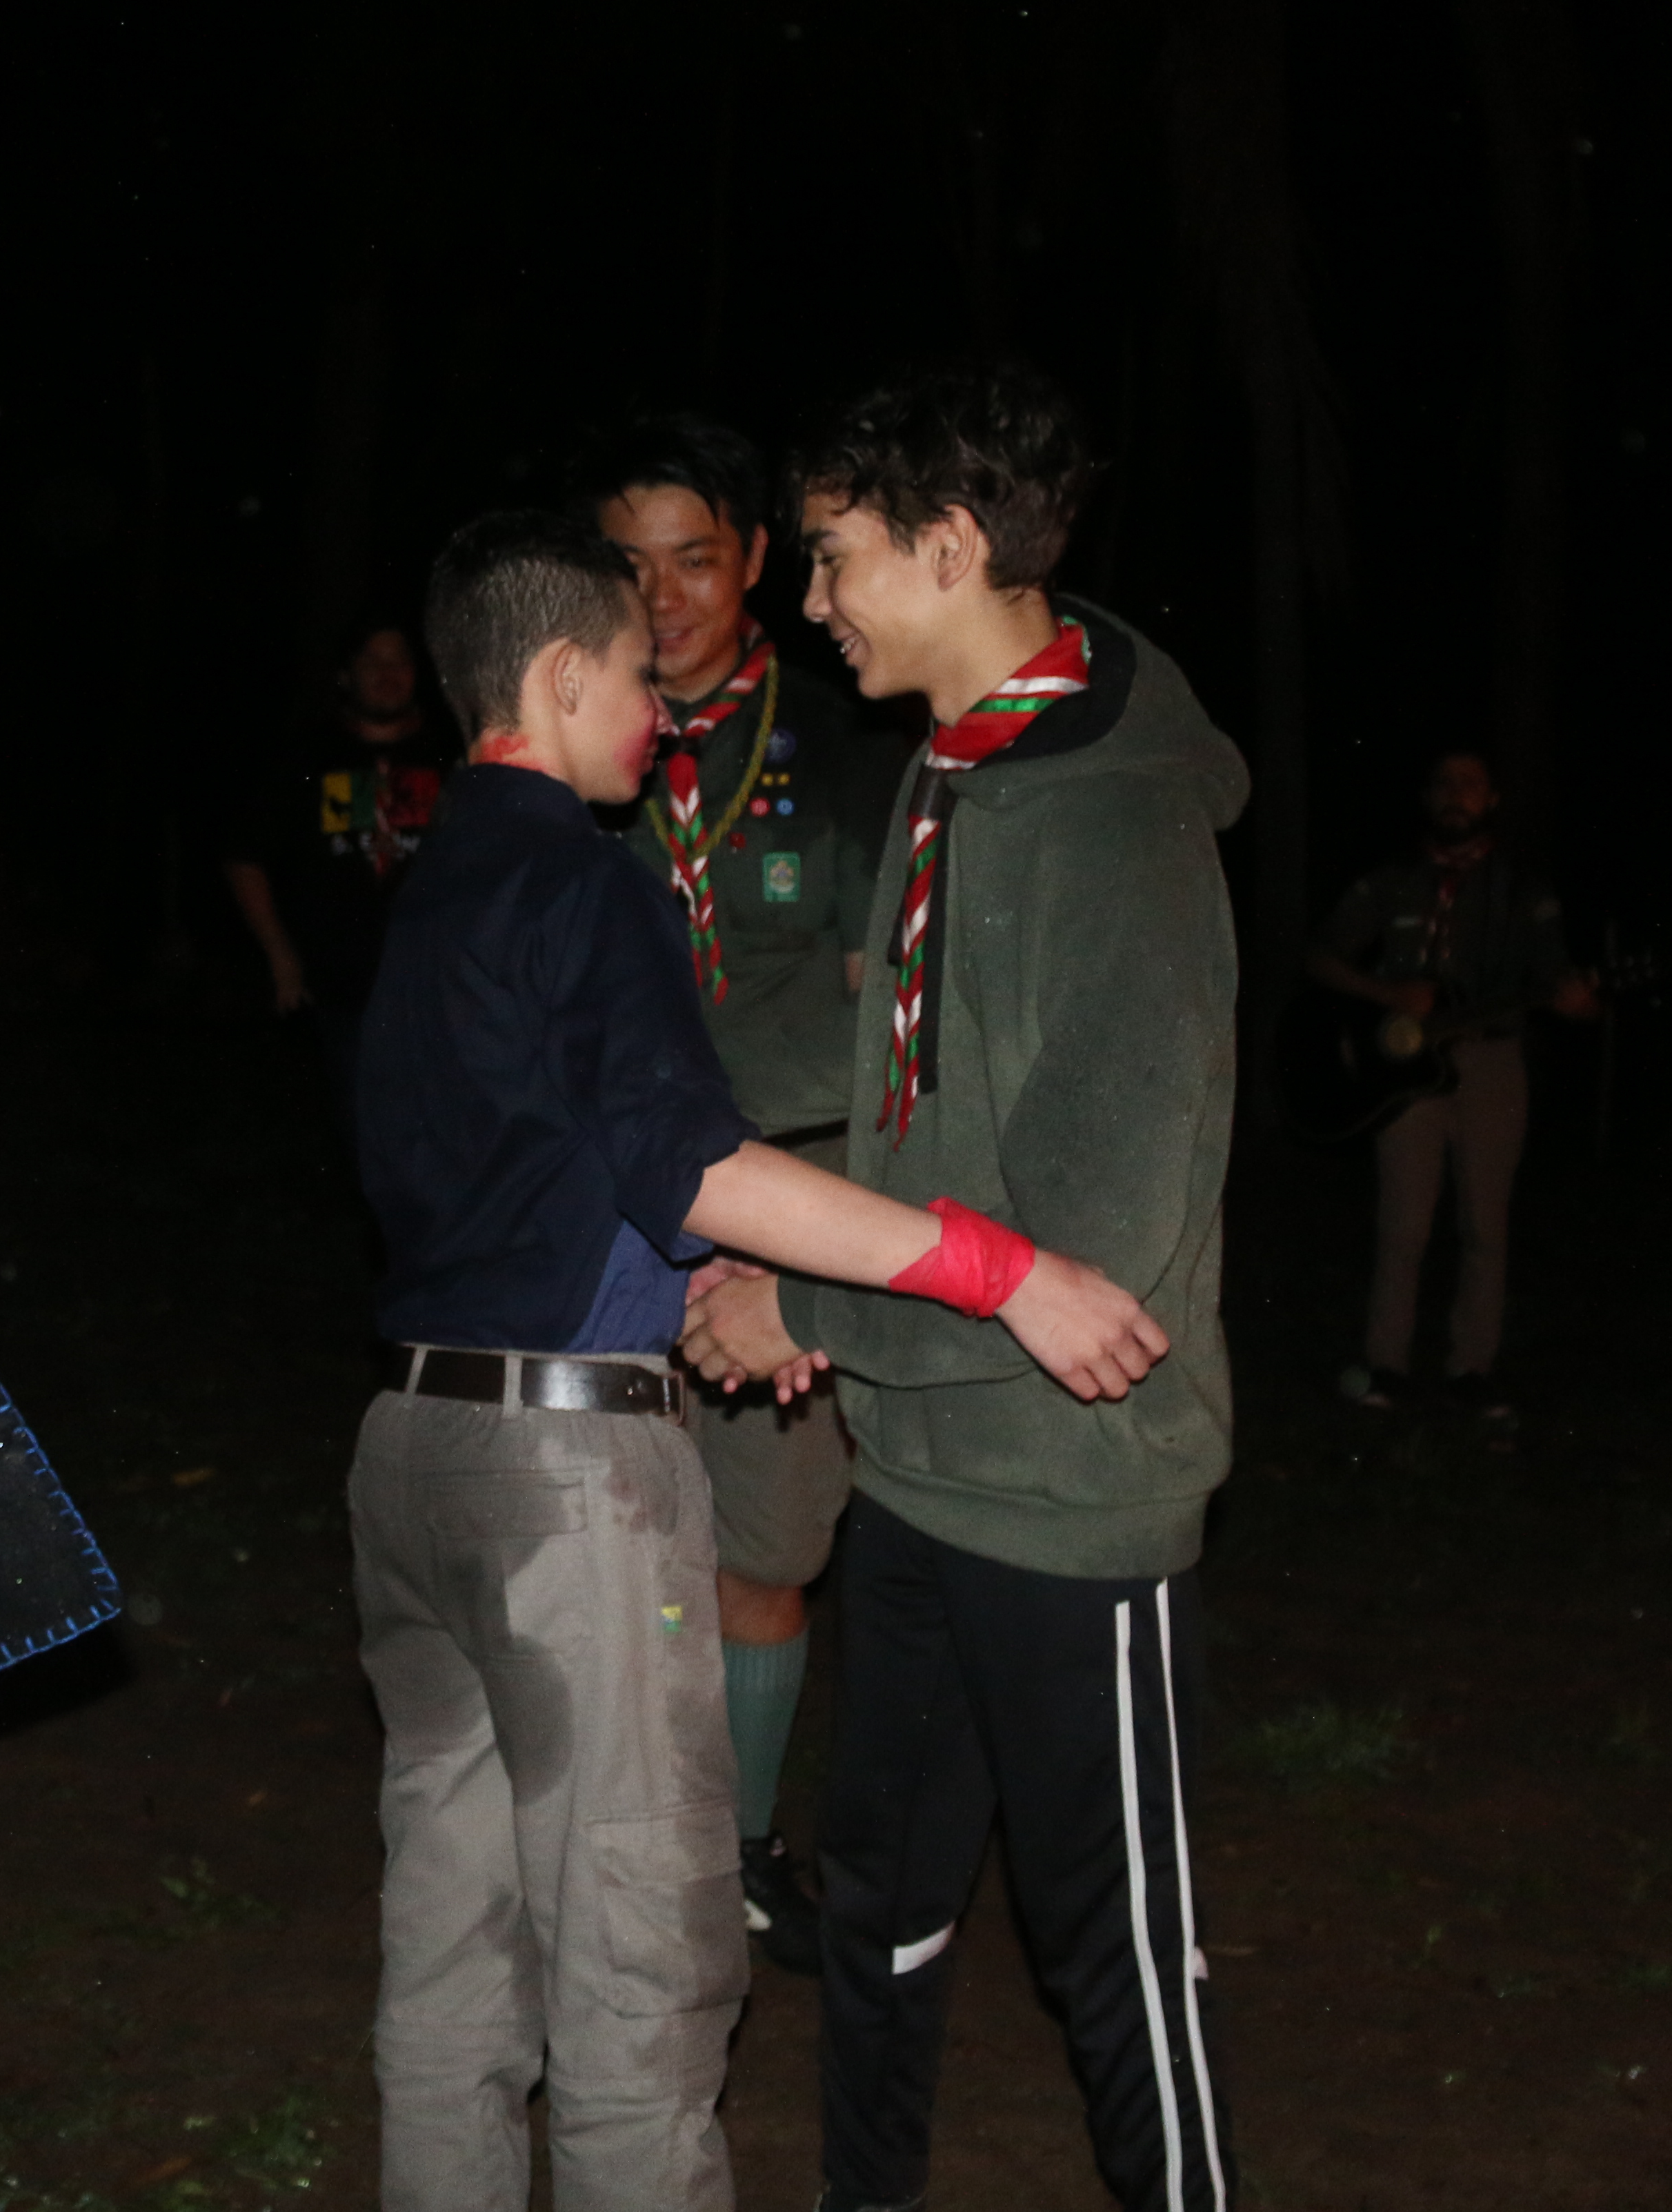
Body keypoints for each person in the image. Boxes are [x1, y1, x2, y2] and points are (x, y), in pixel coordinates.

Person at [346, 507, 1166, 2212]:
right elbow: (694, 1165)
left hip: (410, 1459)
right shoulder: (588, 881)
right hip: (564, 1496)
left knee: (451, 1969)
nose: (660, 718)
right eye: (636, 678)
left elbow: (534, 1173)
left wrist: (710, 1283)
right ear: (559, 680)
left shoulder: (432, 890)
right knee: (640, 1977)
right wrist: (1000, 1269)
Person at [681, 362, 1246, 2212]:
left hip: (1070, 1498)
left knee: (1114, 1958)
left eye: (833, 556)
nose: (809, 600)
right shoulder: (960, 762)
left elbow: (1101, 1240)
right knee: (881, 1911)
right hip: (919, 1467)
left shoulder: (1111, 829)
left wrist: (804, 1310)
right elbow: (901, 1086)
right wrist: (670, 1117)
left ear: (945, 548)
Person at [584, 411, 904, 1975]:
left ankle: (742, 1844)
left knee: (764, 1547)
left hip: (786, 1193)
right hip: (603, 1202)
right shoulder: (568, 751)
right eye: (629, 567)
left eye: (694, 559)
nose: (663, 598)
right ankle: (614, 1830)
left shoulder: (845, 750)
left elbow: (881, 1019)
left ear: (757, 560)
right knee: (600, 1537)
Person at [1312, 748, 1598, 1417]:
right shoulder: (1391, 883)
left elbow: (1557, 977)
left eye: (1470, 783)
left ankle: (1473, 1368)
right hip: (1406, 1071)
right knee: (1403, 1224)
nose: (1455, 793)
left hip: (1492, 1065)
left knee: (1485, 1225)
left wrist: (1578, 1000)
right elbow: (1321, 955)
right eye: (1444, 782)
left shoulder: (1523, 891)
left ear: (1491, 799)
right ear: (1427, 797)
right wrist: (1386, 993)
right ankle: (1386, 1364)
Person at [220, 621, 454, 1152]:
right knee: (367, 1140)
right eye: (372, 662)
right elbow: (246, 858)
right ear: (345, 675)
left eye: (399, 661)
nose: (387, 674)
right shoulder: (309, 757)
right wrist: (281, 955)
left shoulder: (452, 753)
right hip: (345, 992)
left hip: (442, 992)